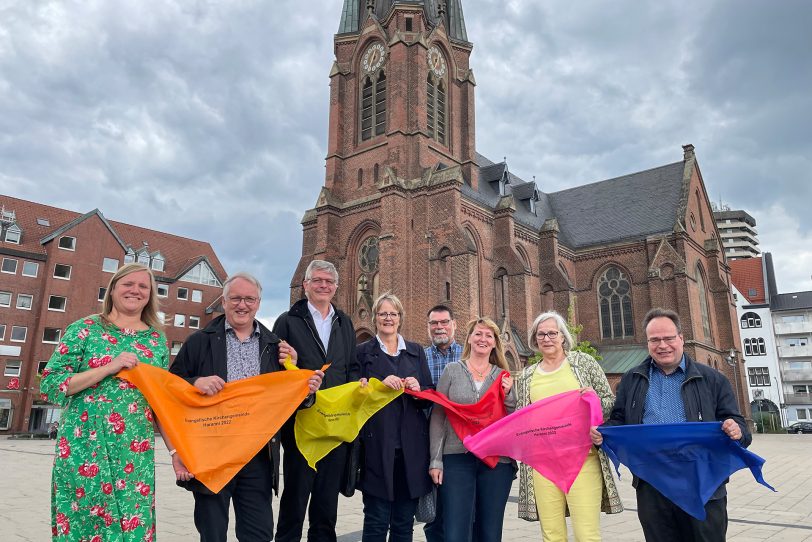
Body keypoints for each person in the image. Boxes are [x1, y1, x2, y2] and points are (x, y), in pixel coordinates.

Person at [170, 272, 323, 542]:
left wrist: (305, 386)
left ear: (259, 303)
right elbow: (171, 387)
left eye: (249, 299)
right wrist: (196, 382)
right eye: (236, 298)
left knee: (259, 534)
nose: (243, 305)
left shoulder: (275, 346)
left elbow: (289, 399)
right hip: (212, 453)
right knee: (212, 533)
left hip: (258, 456)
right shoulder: (200, 341)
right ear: (224, 301)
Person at [41, 263, 186, 541]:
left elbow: (160, 404)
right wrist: (108, 367)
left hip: (133, 454)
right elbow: (51, 384)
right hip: (83, 450)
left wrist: (174, 451)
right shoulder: (84, 329)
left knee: (133, 526)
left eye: (143, 286)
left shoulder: (156, 340)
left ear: (151, 294)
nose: (135, 290)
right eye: (128, 284)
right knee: (82, 525)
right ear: (114, 289)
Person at [602, 307, 751, 542]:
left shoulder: (712, 380)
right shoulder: (632, 379)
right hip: (652, 483)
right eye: (655, 340)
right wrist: (603, 432)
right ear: (647, 343)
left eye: (669, 338)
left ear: (681, 338)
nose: (662, 345)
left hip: (702, 482)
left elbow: (741, 429)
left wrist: (736, 430)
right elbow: (619, 420)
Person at [515, 311, 622, 541]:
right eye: (541, 334)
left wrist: (593, 401)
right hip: (543, 464)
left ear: (563, 336)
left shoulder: (583, 362)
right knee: (552, 535)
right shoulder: (526, 376)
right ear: (535, 339)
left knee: (586, 534)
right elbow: (522, 418)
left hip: (582, 460)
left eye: (552, 333)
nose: (547, 338)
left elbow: (608, 402)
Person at [272, 260, 359, 542]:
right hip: (302, 425)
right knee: (295, 499)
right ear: (305, 285)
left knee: (326, 505)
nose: (324, 286)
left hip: (334, 425)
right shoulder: (288, 320)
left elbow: (351, 367)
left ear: (335, 287)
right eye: (318, 280)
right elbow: (276, 368)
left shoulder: (344, 322)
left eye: (329, 282)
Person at [429, 317, 516, 542]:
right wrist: (436, 460)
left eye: (489, 335)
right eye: (478, 334)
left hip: (496, 460)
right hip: (457, 457)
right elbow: (439, 416)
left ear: (495, 343)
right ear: (468, 338)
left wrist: (510, 395)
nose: (483, 339)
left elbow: (513, 418)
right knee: (456, 531)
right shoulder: (452, 371)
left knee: (489, 531)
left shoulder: (503, 376)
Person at [356, 293, 433, 542]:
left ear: (400, 318)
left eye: (393, 314)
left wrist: (418, 389)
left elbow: (429, 396)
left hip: (410, 451)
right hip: (377, 446)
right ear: (375, 317)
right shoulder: (362, 352)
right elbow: (355, 394)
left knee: (403, 523)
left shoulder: (415, 351)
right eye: (383, 314)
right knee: (376, 521)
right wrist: (376, 384)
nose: (388, 318)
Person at [423, 305, 462, 542]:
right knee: (434, 513)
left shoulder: (467, 357)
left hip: (460, 442)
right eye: (434, 323)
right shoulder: (420, 356)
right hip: (429, 440)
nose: (439, 327)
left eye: (444, 322)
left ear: (454, 324)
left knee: (461, 507)